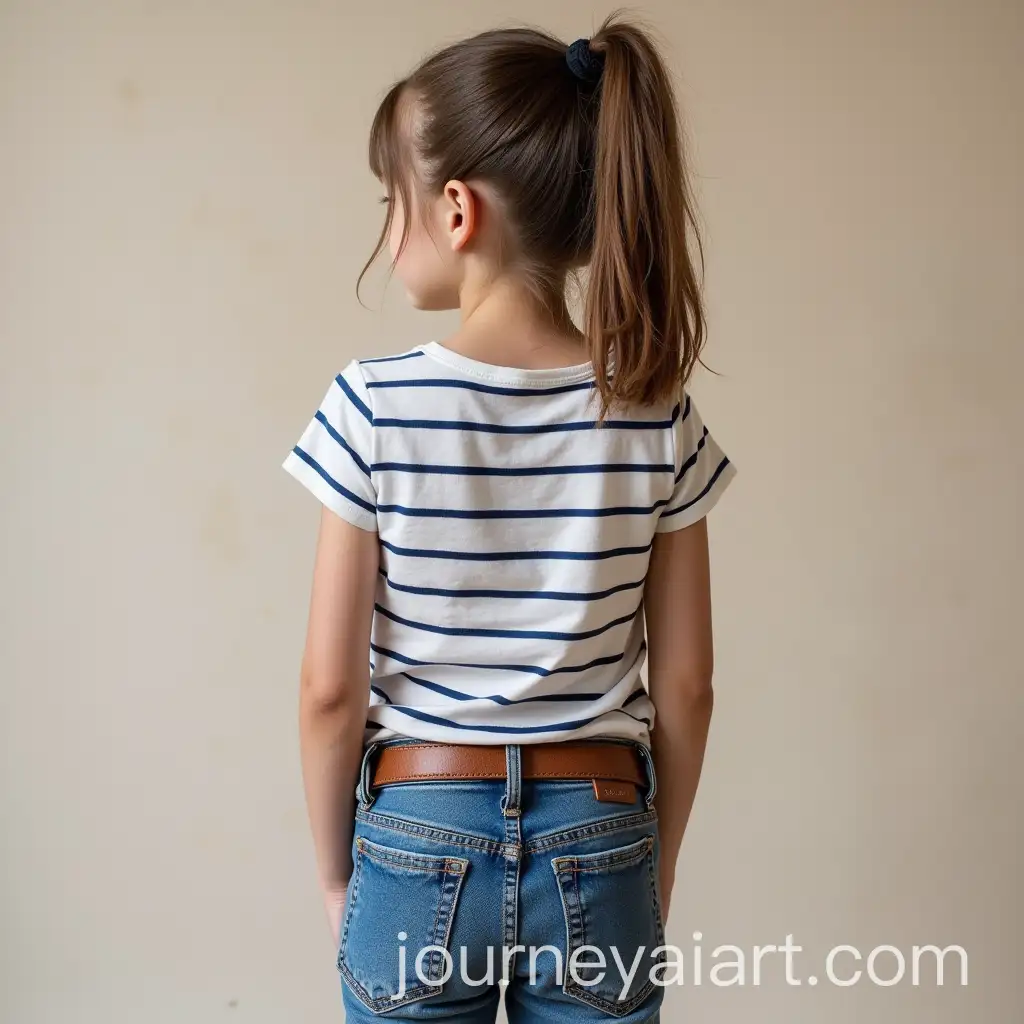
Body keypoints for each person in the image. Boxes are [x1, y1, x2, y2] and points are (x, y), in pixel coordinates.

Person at [282, 13, 737, 1023]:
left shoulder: (370, 405)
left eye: (386, 200)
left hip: (418, 824)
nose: (385, 230)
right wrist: (648, 872)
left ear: (454, 210)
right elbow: (690, 685)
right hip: (602, 824)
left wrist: (331, 875)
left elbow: (327, 690)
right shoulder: (657, 410)